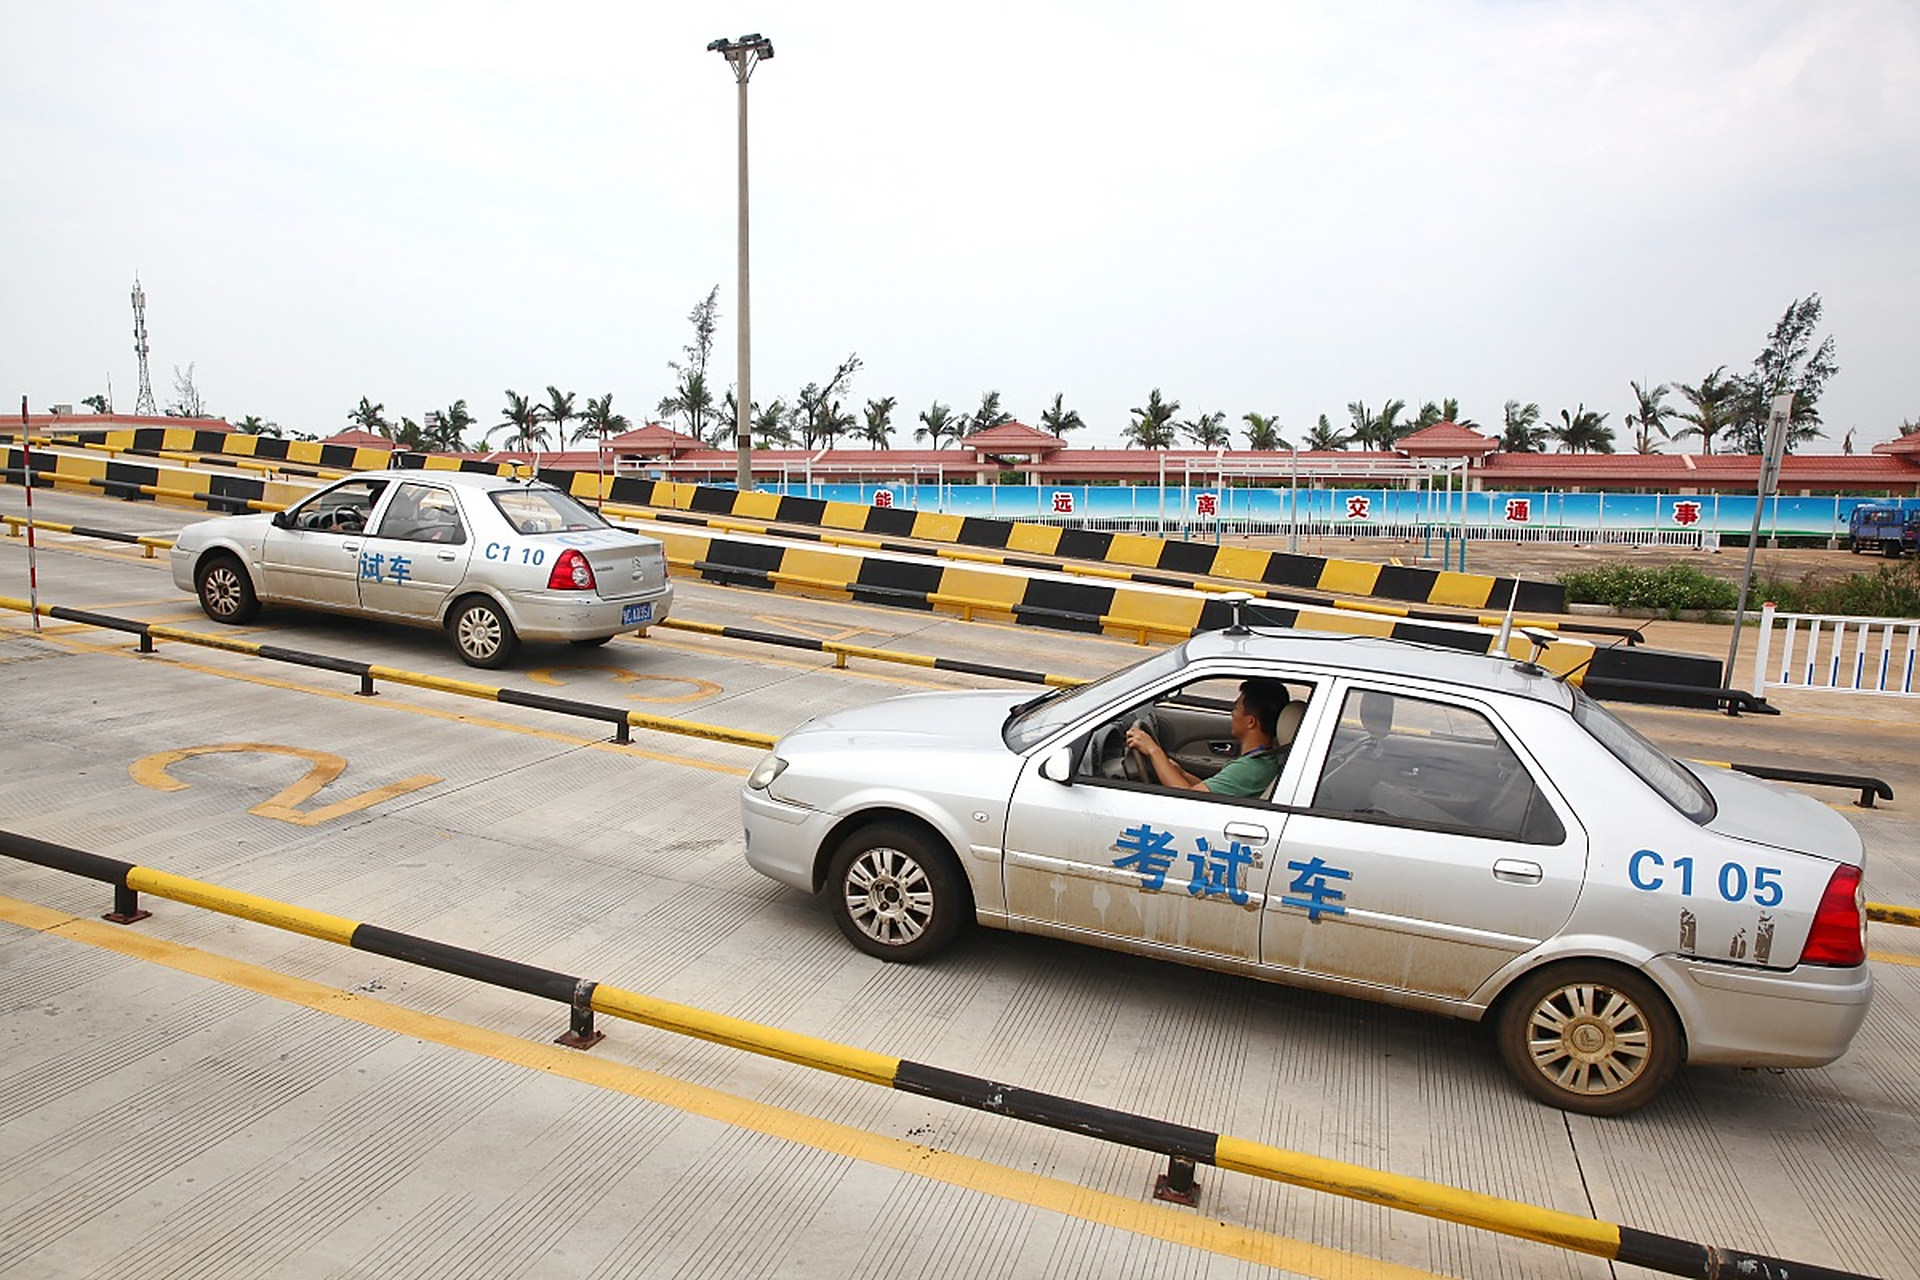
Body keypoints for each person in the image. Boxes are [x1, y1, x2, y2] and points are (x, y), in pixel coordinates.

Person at [1124, 679, 1291, 797]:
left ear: (1250, 722)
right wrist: (1180, 772)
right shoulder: (1264, 760)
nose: (1232, 714)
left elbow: (1188, 799)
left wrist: (1154, 751)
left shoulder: (1250, 769)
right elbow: (1211, 791)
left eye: (1236, 708)